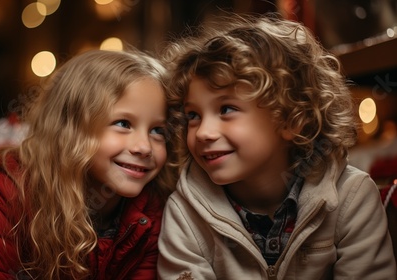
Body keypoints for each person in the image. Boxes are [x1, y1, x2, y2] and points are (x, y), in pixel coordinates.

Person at [157, 14, 397, 279]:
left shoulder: (351, 196)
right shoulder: (184, 212)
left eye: (226, 109)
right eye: (193, 115)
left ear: (292, 119)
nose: (203, 132)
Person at [0, 49, 178, 279]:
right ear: (71, 130)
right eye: (123, 124)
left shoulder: (149, 209)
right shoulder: (12, 192)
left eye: (157, 130)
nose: (144, 146)